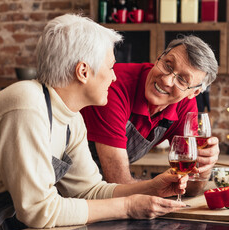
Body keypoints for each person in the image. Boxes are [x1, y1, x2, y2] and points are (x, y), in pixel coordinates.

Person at [0, 14, 188, 230]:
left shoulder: (71, 116)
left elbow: (90, 191)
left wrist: (151, 188)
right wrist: (127, 207)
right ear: (83, 71)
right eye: (110, 68)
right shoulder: (27, 106)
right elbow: (39, 211)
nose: (114, 78)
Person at [80, 35, 220, 193]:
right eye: (167, 65)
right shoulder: (115, 85)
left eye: (182, 80)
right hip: (67, 185)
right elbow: (118, 181)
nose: (167, 80)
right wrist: (163, 186)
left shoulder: (185, 106)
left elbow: (192, 187)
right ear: (158, 58)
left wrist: (205, 167)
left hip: (105, 192)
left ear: (193, 92)